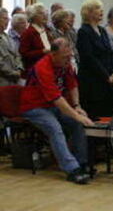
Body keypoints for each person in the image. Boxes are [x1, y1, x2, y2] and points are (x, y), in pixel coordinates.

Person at [20, 38, 94, 184]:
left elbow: (72, 85)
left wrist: (77, 106)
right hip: (34, 107)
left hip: (51, 106)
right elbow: (56, 98)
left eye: (70, 56)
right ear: (53, 55)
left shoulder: (65, 64)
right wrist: (76, 115)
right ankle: (72, 169)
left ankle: (82, 163)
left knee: (76, 123)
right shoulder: (42, 67)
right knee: (55, 128)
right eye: (65, 57)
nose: (68, 60)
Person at [77, 0, 113, 119]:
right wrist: (107, 76)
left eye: (101, 8)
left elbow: (111, 53)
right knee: (97, 116)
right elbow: (89, 58)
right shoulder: (83, 31)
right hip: (93, 81)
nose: (101, 11)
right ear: (88, 12)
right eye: (97, 8)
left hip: (108, 81)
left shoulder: (102, 30)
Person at [19, 3, 52, 74]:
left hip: (48, 67)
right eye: (41, 13)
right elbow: (24, 54)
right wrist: (42, 52)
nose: (45, 16)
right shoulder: (28, 33)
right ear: (33, 16)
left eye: (45, 13)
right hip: (35, 70)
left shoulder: (46, 30)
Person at [0, 8, 23, 86]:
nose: (8, 21)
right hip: (3, 80)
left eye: (8, 18)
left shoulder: (7, 36)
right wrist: (12, 73)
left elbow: (17, 55)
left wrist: (19, 69)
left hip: (14, 80)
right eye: (5, 18)